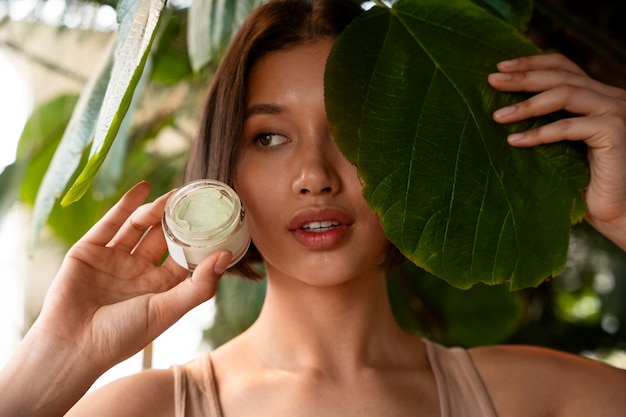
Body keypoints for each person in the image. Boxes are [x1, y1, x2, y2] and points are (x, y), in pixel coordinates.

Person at [1, 0, 626, 416]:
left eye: (352, 131)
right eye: (270, 137)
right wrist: (54, 360)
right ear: (226, 169)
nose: (314, 176)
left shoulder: (533, 399)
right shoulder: (146, 411)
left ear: (411, 160)